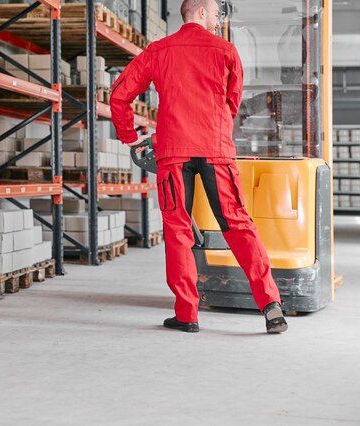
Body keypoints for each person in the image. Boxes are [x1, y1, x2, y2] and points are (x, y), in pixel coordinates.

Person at [109, 0, 288, 334]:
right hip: (216, 151)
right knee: (238, 225)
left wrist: (129, 136)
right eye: (217, 15)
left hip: (173, 153)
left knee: (177, 231)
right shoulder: (226, 51)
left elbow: (119, 95)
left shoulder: (158, 50)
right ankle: (271, 306)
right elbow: (232, 101)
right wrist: (216, 130)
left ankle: (187, 313)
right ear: (201, 13)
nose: (220, 22)